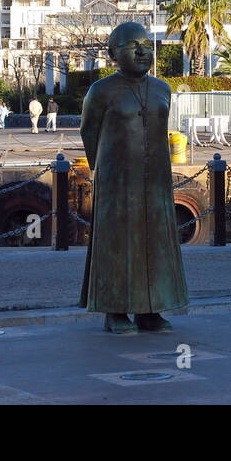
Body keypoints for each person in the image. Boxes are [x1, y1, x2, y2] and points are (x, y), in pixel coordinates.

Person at [80, 23, 188, 333]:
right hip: (117, 181)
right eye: (133, 46)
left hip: (155, 181)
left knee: (156, 245)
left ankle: (150, 309)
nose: (143, 51)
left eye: (147, 45)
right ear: (113, 53)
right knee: (117, 245)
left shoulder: (162, 89)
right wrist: (104, 170)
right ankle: (115, 311)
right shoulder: (100, 91)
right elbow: (89, 131)